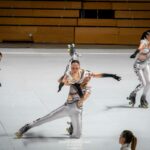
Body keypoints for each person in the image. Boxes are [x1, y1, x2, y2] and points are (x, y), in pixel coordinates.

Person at [15, 59, 121, 139]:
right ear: (71, 68)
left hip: (77, 111)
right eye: (73, 68)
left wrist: (112, 75)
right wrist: (64, 79)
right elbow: (60, 81)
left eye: (76, 68)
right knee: (46, 118)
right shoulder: (69, 75)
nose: (74, 70)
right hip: (67, 107)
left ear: (80, 68)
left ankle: (72, 127)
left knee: (78, 136)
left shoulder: (87, 82)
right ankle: (26, 127)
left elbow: (84, 97)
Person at [128, 30, 150, 108]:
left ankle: (143, 98)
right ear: (146, 36)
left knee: (149, 82)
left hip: (146, 64)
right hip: (138, 65)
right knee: (143, 83)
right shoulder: (144, 42)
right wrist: (135, 53)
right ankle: (133, 94)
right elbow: (140, 47)